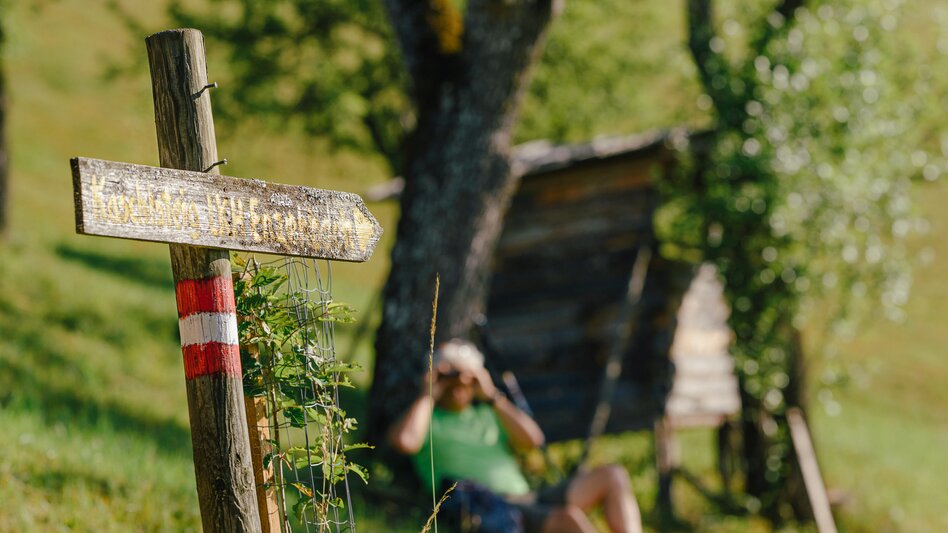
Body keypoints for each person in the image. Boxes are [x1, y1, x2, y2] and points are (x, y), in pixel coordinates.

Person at [388, 338, 643, 533]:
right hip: (490, 506)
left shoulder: (488, 414)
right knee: (568, 520)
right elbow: (404, 442)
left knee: (613, 475)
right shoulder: (427, 419)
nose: (460, 384)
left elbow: (533, 440)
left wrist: (492, 395)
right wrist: (428, 392)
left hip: (528, 497)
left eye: (468, 379)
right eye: (450, 377)